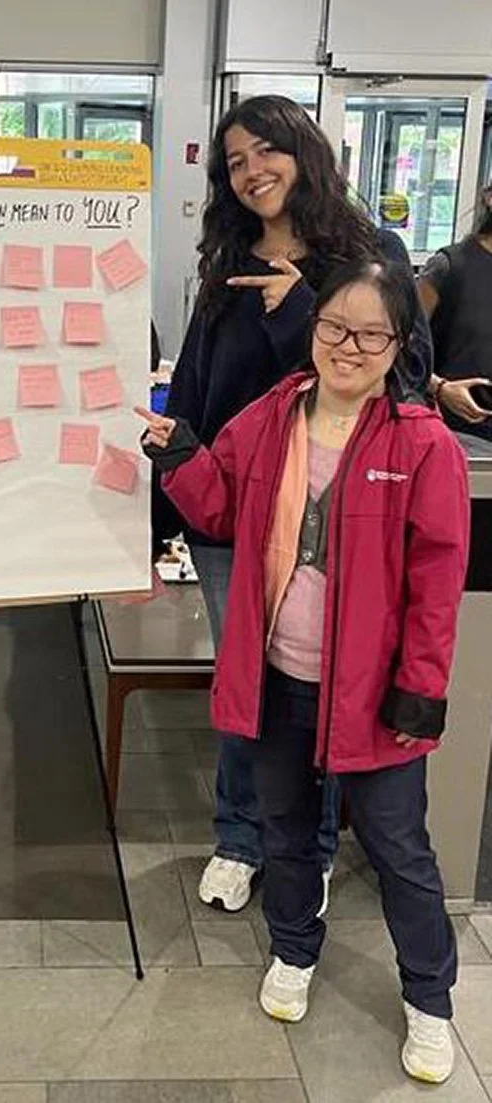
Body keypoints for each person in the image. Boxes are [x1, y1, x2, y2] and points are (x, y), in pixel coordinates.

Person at [137, 257, 467, 1084]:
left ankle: (430, 999)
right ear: (313, 330)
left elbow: (437, 581)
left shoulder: (420, 442)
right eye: (333, 327)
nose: (346, 346)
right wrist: (178, 451)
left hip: (375, 696)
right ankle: (293, 949)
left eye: (369, 333)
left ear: (398, 345)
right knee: (285, 831)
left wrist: (421, 688)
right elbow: (215, 504)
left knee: (399, 849)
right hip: (280, 676)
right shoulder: (274, 414)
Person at [157, 94, 432, 913]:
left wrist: (302, 314)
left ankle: (308, 847)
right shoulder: (228, 256)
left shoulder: (368, 252)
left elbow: (406, 381)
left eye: (264, 151)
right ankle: (241, 835)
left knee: (321, 685)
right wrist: (169, 504)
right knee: (249, 685)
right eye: (234, 162)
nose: (251, 172)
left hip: (337, 512)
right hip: (231, 514)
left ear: (301, 150)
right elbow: (198, 391)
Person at [418, 183, 492, 438]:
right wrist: (441, 389)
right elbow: (399, 348)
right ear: (489, 198)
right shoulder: (449, 267)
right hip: (459, 436)